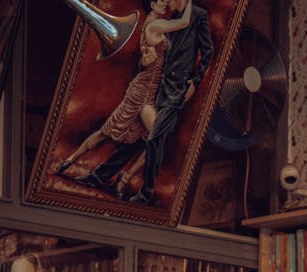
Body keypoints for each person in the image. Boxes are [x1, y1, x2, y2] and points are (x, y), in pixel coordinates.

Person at [74, 0, 213, 206]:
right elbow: (158, 55)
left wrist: (194, 82)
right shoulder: (172, 19)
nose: (166, 2)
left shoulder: (198, 16)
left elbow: (208, 52)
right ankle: (103, 177)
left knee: (154, 139)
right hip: (156, 88)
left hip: (176, 91)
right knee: (143, 139)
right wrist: (144, 61)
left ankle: (144, 192)